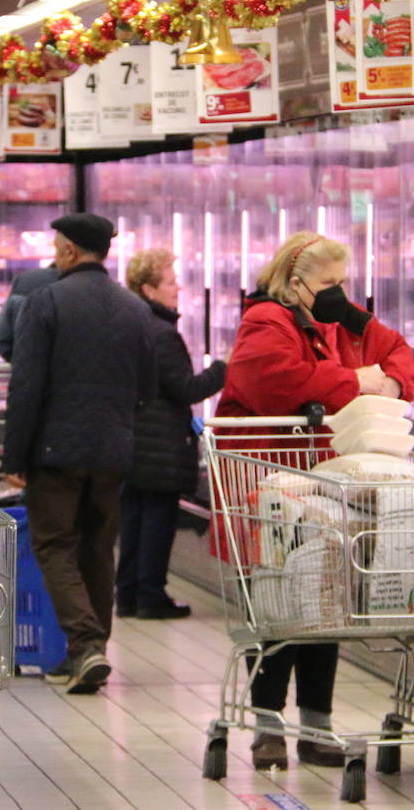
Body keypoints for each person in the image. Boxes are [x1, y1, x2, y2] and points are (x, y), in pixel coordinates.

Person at [215, 231, 414, 770]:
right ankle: (267, 726)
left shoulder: (332, 325)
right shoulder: (265, 321)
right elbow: (274, 381)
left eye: (344, 284)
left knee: (324, 601)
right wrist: (357, 380)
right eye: (330, 285)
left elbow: (397, 355)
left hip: (318, 486)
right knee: (277, 608)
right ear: (295, 282)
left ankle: (316, 725)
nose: (339, 294)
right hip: (267, 486)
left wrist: (383, 369)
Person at [1, 213, 155, 695]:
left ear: (67, 250)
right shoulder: (135, 308)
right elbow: (148, 387)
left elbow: (26, 386)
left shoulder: (47, 301)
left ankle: (85, 645)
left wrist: (15, 457)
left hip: (55, 449)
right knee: (97, 548)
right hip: (114, 448)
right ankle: (88, 651)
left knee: (54, 544)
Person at [117, 248, 227, 621]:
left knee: (135, 519)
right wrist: (225, 369)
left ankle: (129, 594)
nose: (178, 287)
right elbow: (185, 388)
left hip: (136, 441)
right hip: (160, 444)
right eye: (170, 281)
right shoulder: (162, 333)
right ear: (148, 288)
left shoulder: (133, 324)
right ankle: (151, 596)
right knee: (157, 523)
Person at [0, 263, 59, 362]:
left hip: (33, 370)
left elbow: (0, 338)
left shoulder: (28, 280)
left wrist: (22, 363)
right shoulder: (86, 284)